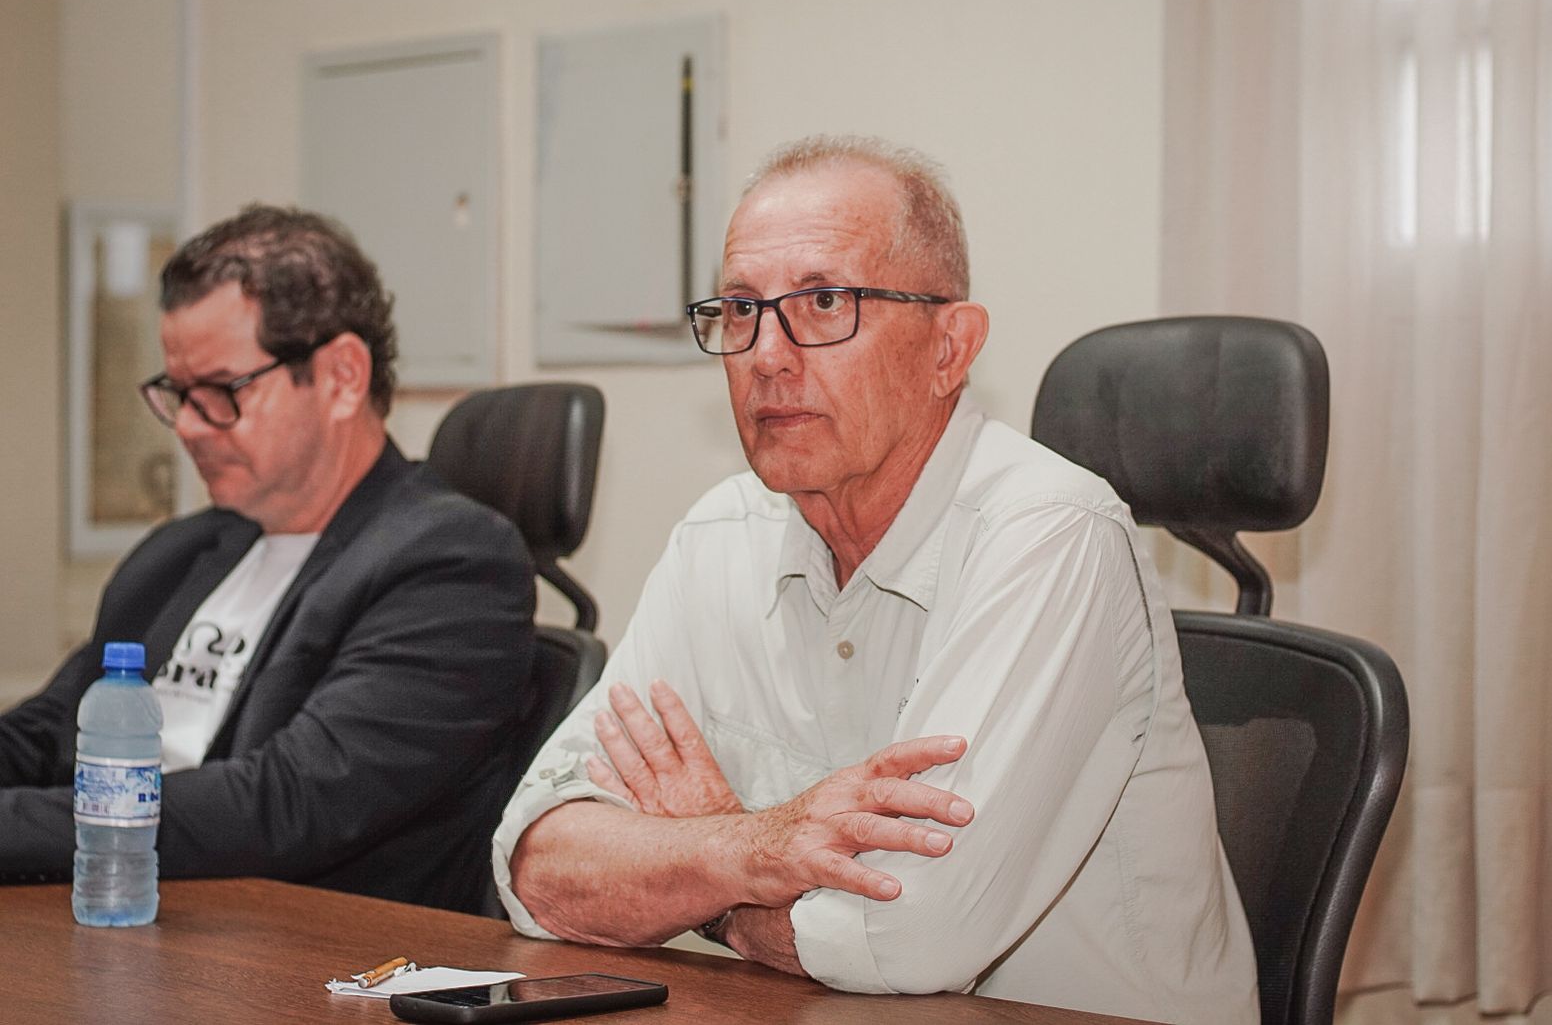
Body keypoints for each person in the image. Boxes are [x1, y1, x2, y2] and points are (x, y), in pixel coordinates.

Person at [493, 137, 1258, 1022]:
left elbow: (906, 940)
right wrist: (748, 848)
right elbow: (537, 865)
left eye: (825, 303)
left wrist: (700, 875)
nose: (766, 355)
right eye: (740, 309)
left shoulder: (1050, 536)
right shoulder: (719, 536)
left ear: (949, 348)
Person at [0, 205, 536, 913]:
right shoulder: (181, 552)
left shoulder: (453, 565)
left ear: (342, 376)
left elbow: (281, 807)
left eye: (221, 392)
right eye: (178, 394)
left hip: (295, 948)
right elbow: (52, 729)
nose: (188, 426)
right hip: (121, 912)